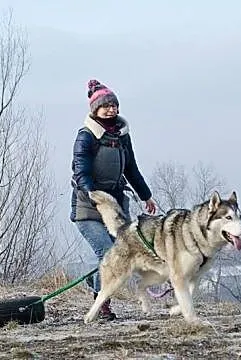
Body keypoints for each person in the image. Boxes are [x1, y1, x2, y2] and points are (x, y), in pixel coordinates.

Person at [70, 79, 157, 321]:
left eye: (114, 105)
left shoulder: (122, 136)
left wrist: (146, 195)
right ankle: (102, 303)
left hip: (116, 207)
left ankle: (95, 281)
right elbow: (81, 170)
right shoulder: (86, 136)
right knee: (107, 253)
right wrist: (92, 194)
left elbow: (131, 169)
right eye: (105, 106)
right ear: (95, 110)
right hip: (88, 208)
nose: (111, 110)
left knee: (121, 252)